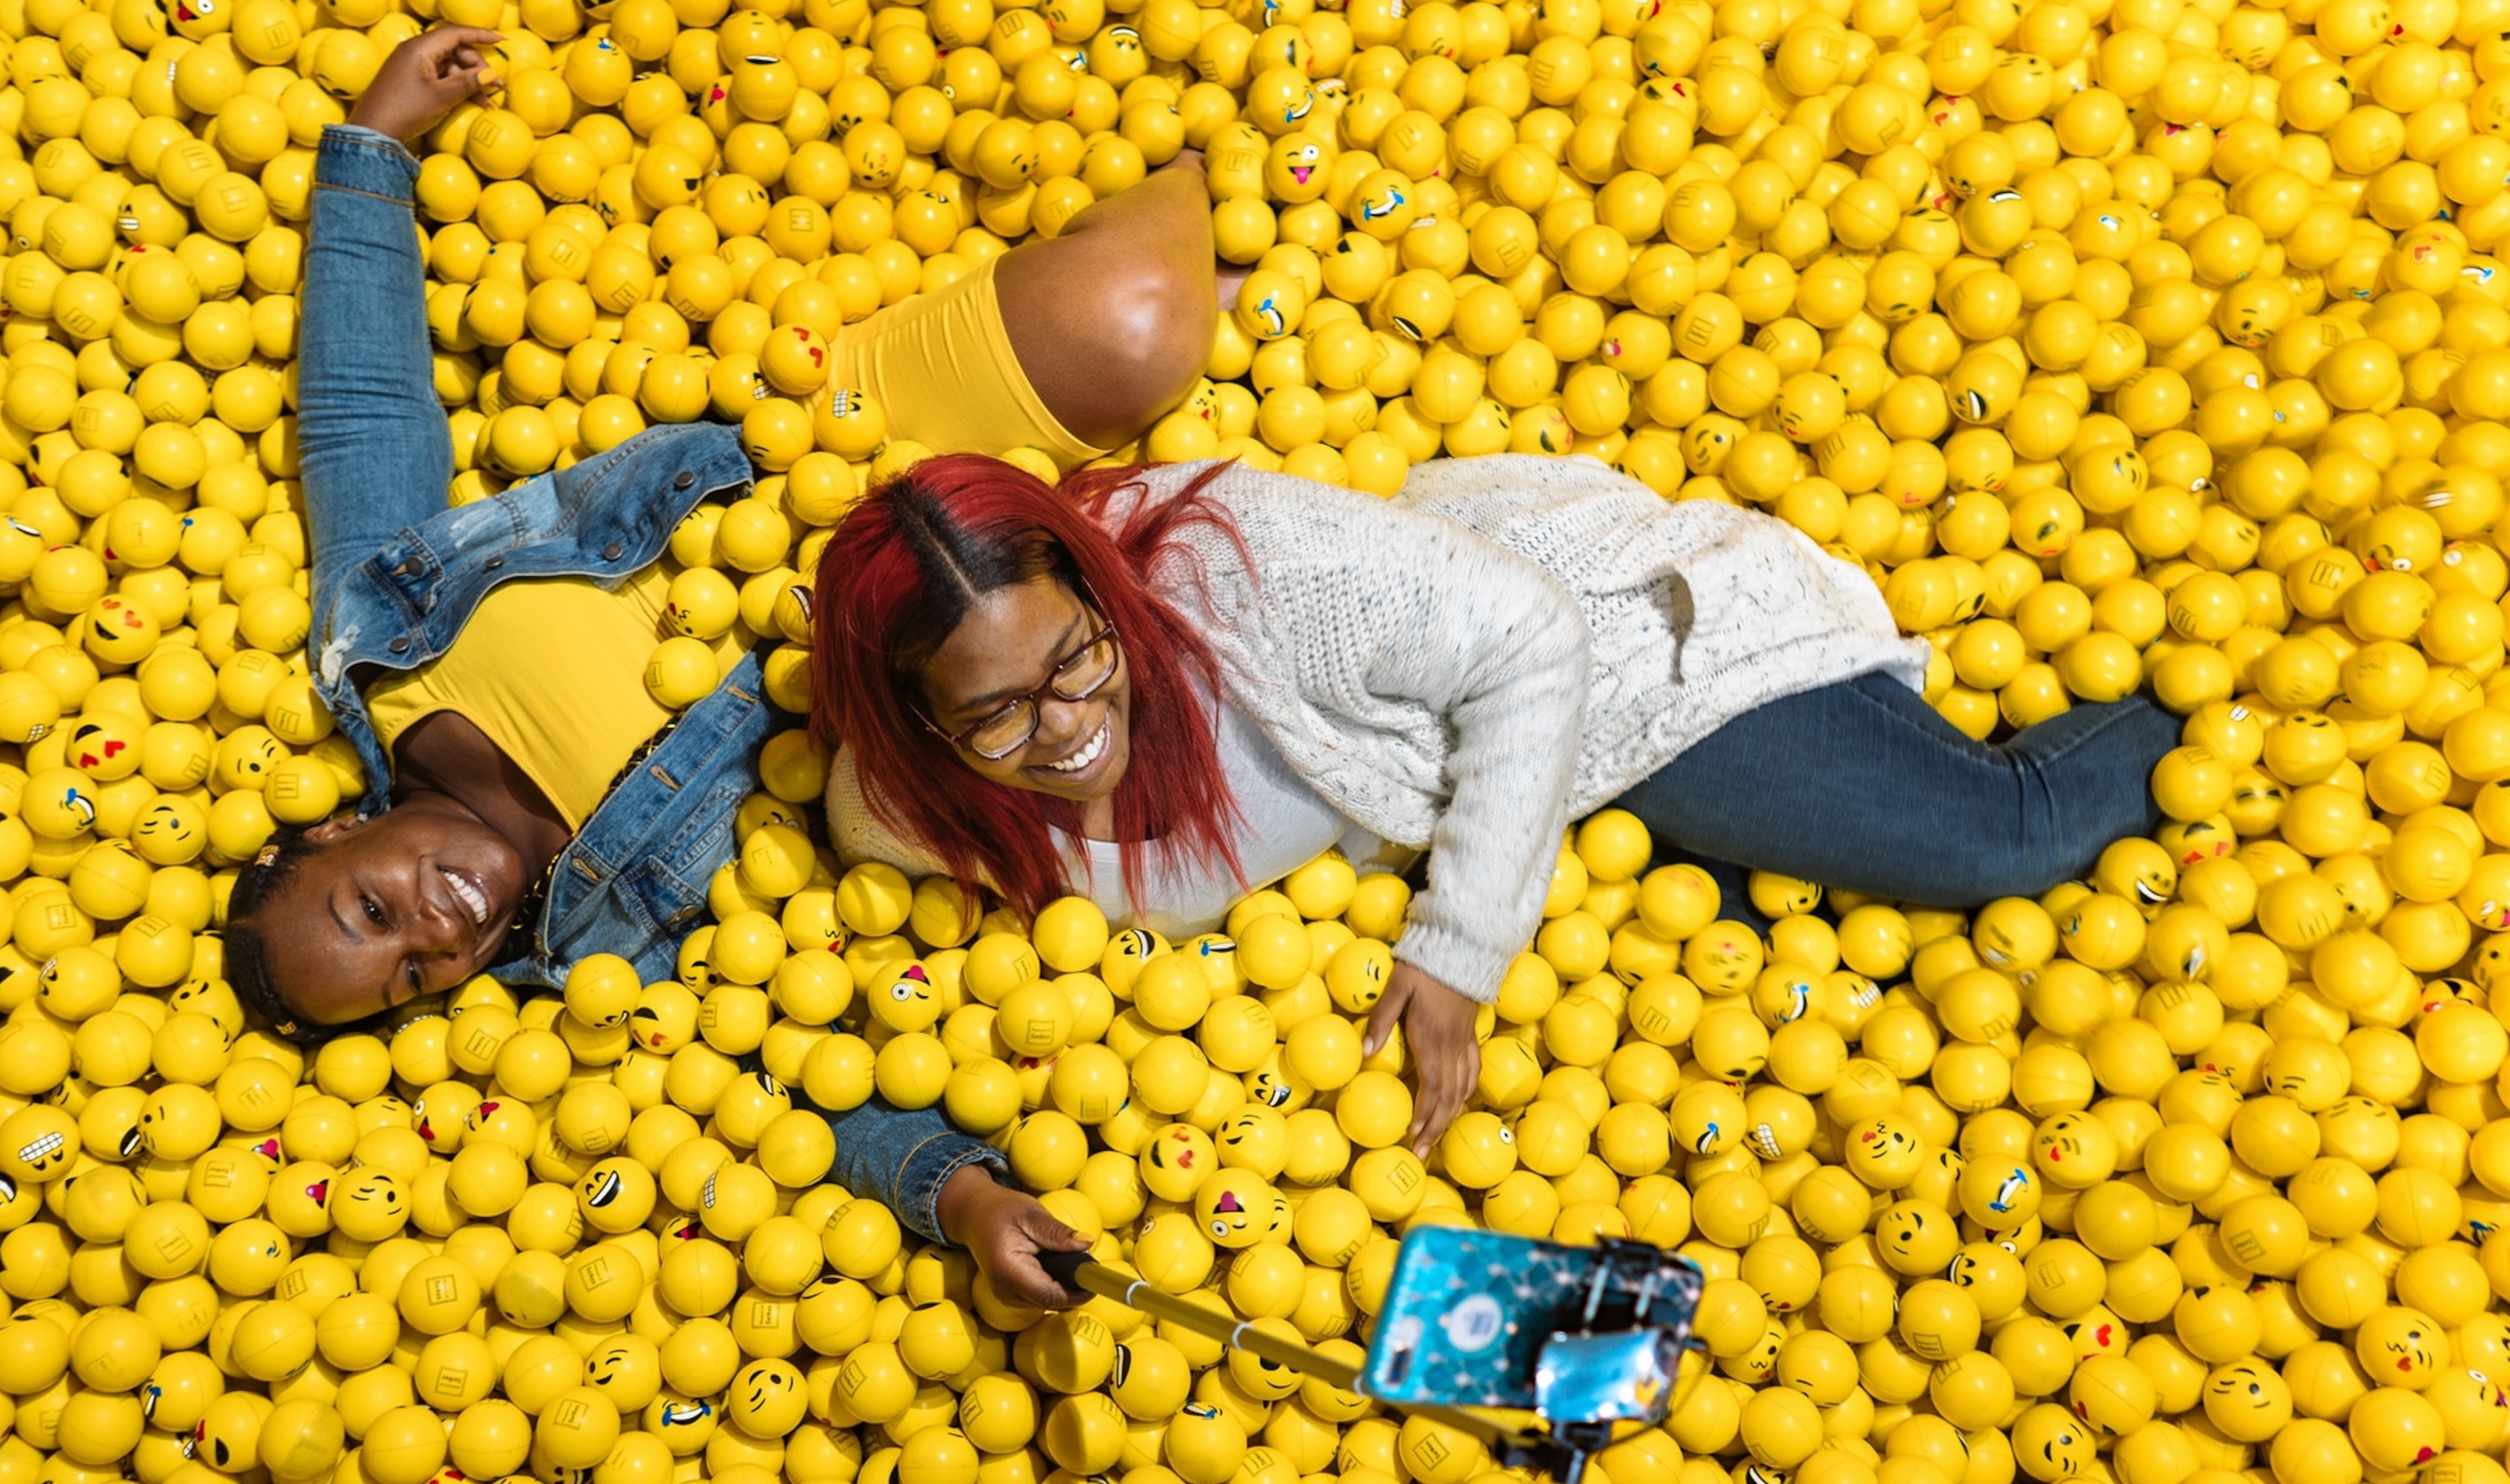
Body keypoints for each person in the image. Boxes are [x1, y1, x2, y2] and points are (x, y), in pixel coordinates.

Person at [225, 24, 1216, 1304]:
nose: (436, 931)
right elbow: (796, 1090)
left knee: (1132, 319)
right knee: (1160, 377)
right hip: (960, 651)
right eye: (414, 978)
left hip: (819, 450)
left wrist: (374, 146)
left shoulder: (383, 646)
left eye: (374, 912)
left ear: (315, 841)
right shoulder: (604, 960)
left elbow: (363, 406)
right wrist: (965, 1199)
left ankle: (1209, 168)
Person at [811, 453, 2185, 1157]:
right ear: (916, 723)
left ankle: (2209, 708)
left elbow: (1533, 639)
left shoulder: (1254, 578)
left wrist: (1457, 952)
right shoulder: (900, 809)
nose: (1063, 729)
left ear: (1107, 597)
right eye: (994, 713)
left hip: (1611, 686)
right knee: (1780, 1003)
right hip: (1494, 876)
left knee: (2009, 843)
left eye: (1077, 660)